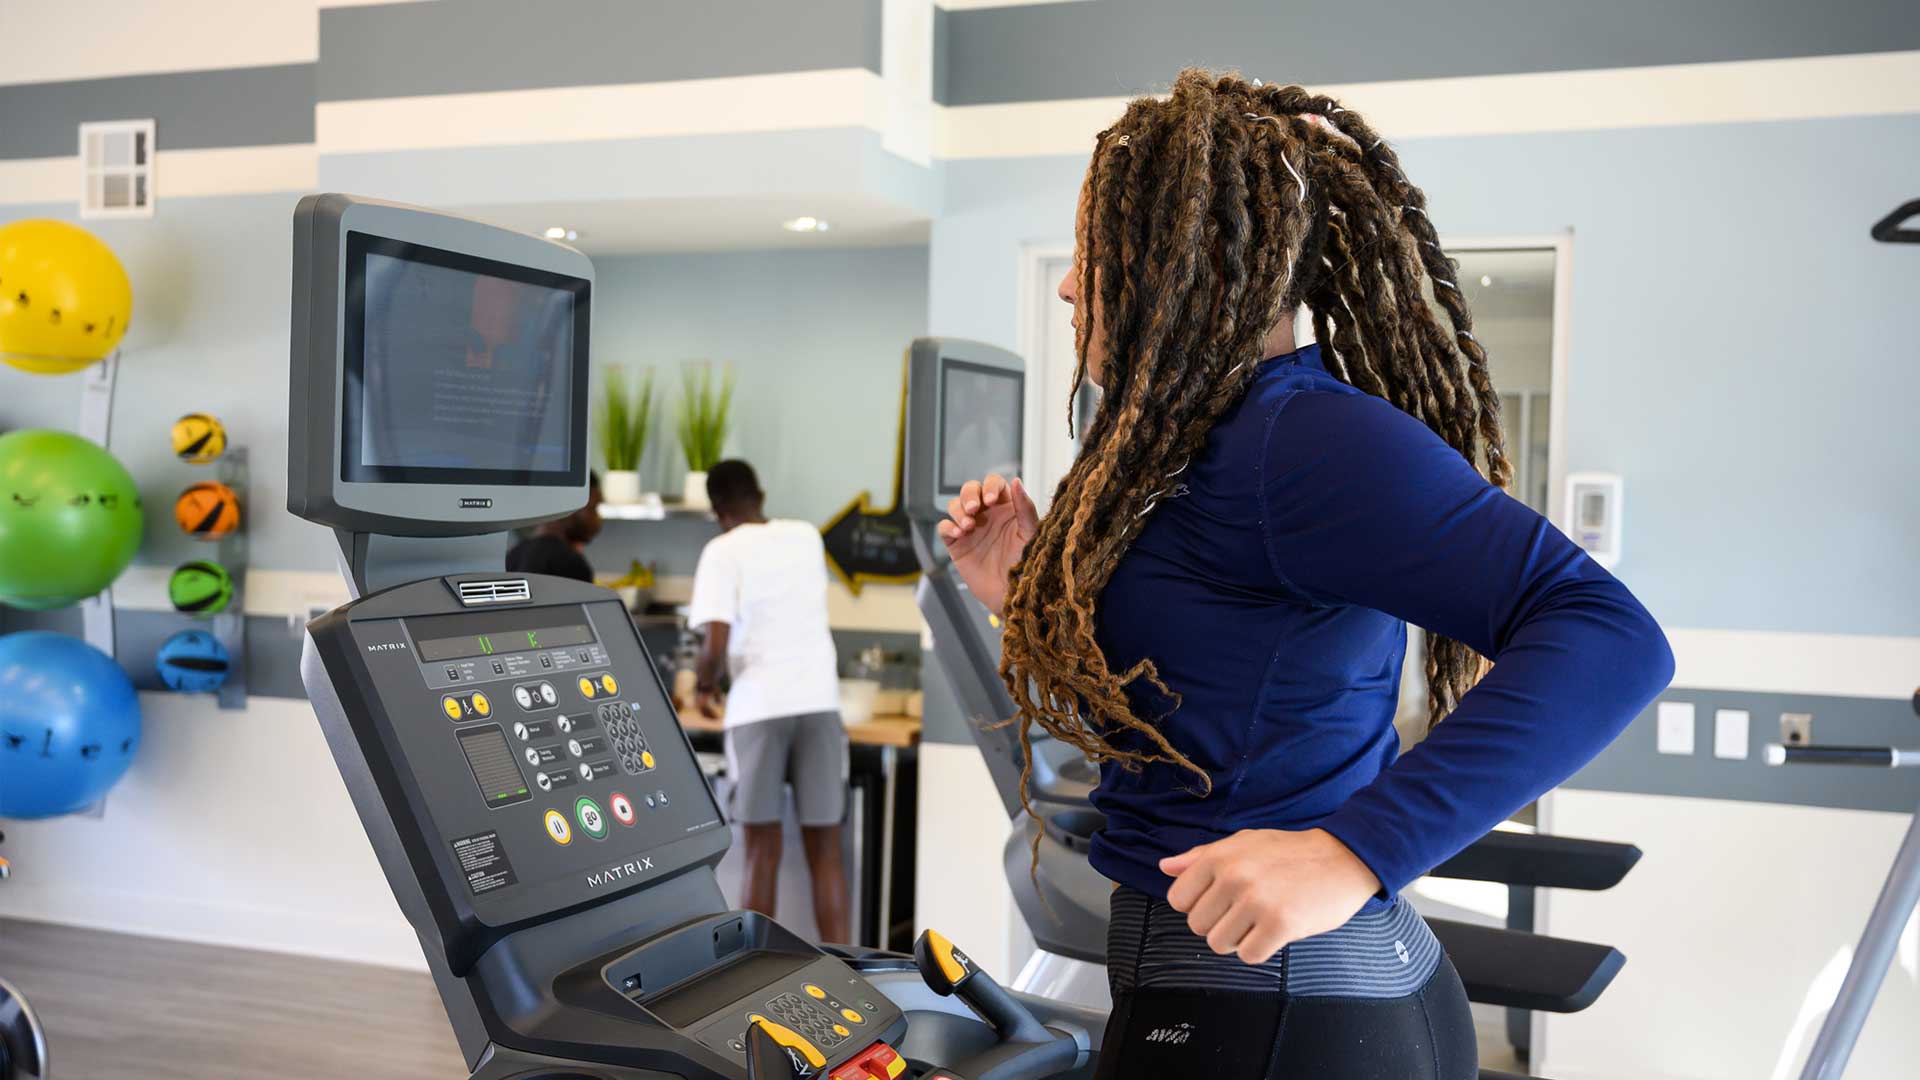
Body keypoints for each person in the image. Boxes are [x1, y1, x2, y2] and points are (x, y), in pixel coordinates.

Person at [939, 71, 1674, 1080]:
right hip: (1241, 1000)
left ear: (1181, 261)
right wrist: (1021, 590)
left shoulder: (1300, 440)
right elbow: (1195, 722)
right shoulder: (1188, 443)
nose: (1069, 285)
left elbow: (1610, 635)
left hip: (1282, 1016)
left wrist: (1353, 851)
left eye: (1091, 256)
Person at [687, 460, 851, 944]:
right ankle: (846, 965)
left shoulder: (721, 550)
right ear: (759, 494)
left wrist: (704, 688)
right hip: (820, 702)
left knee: (762, 848)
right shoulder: (805, 536)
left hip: (759, 707)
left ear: (718, 511)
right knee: (826, 851)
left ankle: (752, 973)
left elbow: (713, 645)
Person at [505, 473, 602, 581]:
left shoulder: (513, 556)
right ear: (568, 506)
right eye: (593, 508)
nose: (598, 518)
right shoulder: (570, 563)